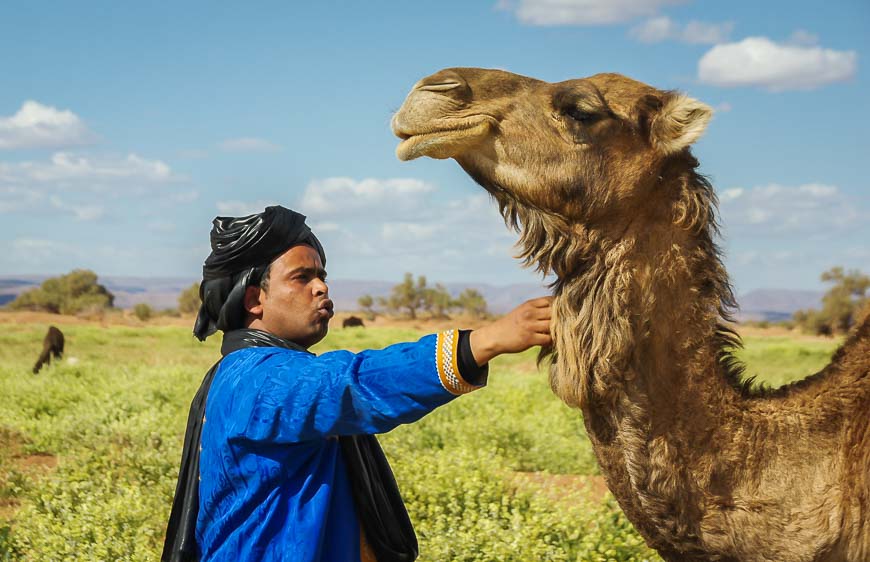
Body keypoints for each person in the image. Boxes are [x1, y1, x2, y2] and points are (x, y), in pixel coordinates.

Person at [163, 205, 553, 562]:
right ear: (253, 299)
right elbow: (349, 384)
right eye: (302, 277)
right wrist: (487, 341)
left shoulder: (253, 369)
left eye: (321, 276)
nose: (322, 288)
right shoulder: (256, 376)